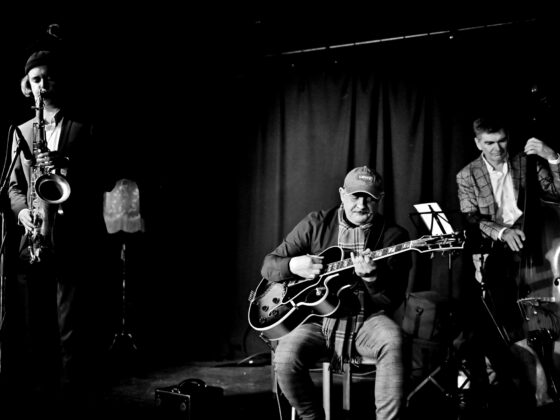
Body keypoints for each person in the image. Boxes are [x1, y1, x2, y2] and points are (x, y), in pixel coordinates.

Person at [2, 29, 115, 417]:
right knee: (35, 330)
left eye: (48, 78)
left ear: (58, 82)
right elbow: (13, 187)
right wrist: (22, 212)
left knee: (72, 331)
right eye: (35, 79)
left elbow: (106, 179)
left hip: (73, 239)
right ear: (27, 86)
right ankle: (40, 402)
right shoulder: (20, 132)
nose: (42, 85)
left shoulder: (84, 127)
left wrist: (67, 166)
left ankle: (71, 404)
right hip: (34, 239)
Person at [261, 166, 412, 420]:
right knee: (285, 358)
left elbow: (390, 301)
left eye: (369, 198)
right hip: (316, 320)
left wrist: (372, 279)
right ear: (342, 194)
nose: (361, 205)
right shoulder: (316, 223)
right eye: (355, 196)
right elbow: (268, 266)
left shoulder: (394, 237)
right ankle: (311, 417)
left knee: (394, 340)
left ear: (380, 198)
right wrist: (293, 265)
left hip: (365, 319)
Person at [455, 115, 560, 412]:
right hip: (496, 252)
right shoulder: (467, 175)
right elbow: (472, 218)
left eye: (501, 141)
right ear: (478, 143)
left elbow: (556, 193)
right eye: (489, 143)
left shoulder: (525, 163)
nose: (497, 148)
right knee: (504, 325)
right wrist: (502, 232)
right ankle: (528, 390)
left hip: (537, 246)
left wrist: (552, 157)